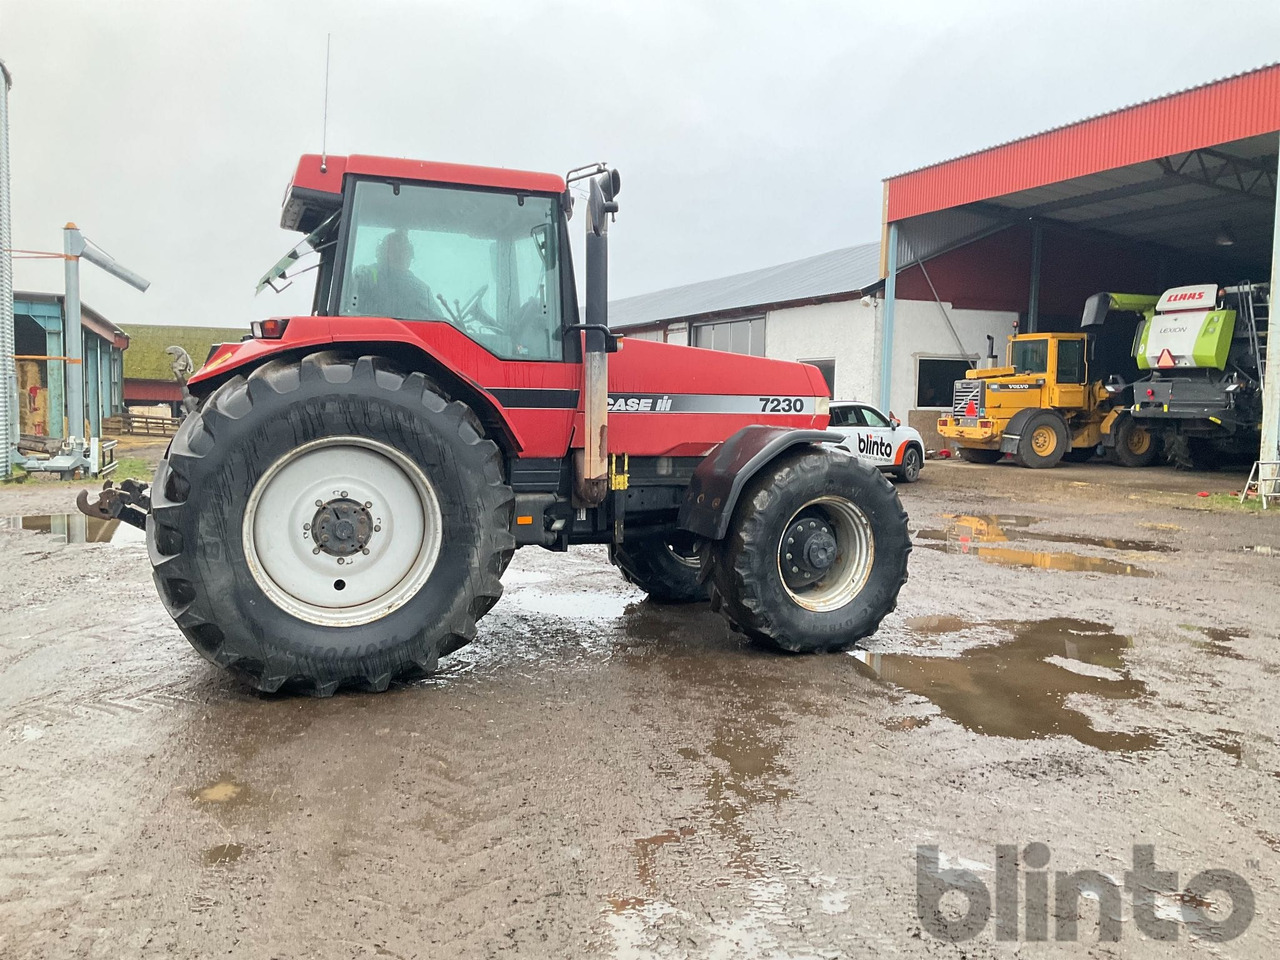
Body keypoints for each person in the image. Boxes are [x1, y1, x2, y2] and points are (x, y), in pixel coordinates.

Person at [351, 229, 441, 320]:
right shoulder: (364, 275)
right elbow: (348, 309)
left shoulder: (421, 290)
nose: (400, 255)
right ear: (381, 253)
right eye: (394, 251)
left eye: (403, 251)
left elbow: (438, 324)